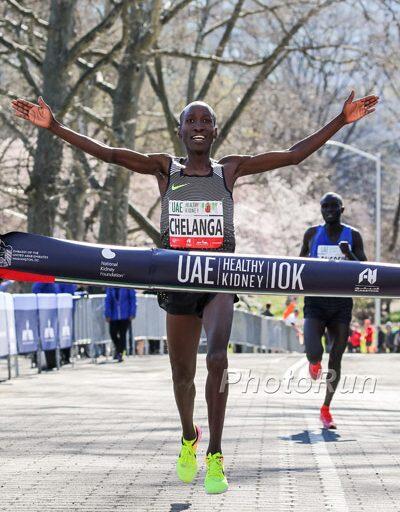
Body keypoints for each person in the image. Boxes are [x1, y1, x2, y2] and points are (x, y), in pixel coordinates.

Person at [11, 90, 378, 494]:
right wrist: (55, 127)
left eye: (206, 122)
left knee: (218, 359)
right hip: (177, 282)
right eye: (192, 121)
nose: (199, 127)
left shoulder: (229, 170)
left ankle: (216, 454)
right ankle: (190, 435)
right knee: (182, 375)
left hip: (218, 281)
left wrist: (340, 120)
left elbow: (293, 155)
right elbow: (111, 154)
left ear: (215, 131)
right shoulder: (165, 169)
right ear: (180, 130)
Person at [300, 192, 367, 429]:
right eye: (325, 206)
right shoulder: (311, 234)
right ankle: (313, 362)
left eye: (334, 206)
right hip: (316, 302)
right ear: (321, 209)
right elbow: (299, 265)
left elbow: (364, 270)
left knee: (336, 357)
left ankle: (326, 409)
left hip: (341, 303)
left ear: (342, 209)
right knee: (314, 352)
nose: (329, 210)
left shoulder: (353, 235)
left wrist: (348, 253)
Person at [105, 287, 137, 362]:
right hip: (114, 316)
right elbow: (108, 300)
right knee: (112, 333)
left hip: (125, 315)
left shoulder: (128, 286)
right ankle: (119, 349)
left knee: (123, 335)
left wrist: (132, 313)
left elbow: (133, 299)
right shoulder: (110, 287)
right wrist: (107, 314)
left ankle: (120, 353)